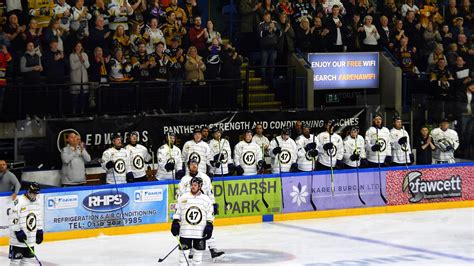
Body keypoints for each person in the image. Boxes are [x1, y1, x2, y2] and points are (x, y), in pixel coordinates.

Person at [176, 160, 225, 261]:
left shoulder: (205, 178)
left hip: (202, 207)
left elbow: (210, 192)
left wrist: (213, 204)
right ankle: (189, 251)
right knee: (189, 230)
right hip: (188, 208)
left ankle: (212, 250)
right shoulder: (184, 179)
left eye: (195, 164)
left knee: (204, 229)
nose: (193, 166)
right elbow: (179, 195)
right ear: (188, 166)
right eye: (191, 164)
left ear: (198, 165)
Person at [172, 176, 214, 266]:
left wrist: (209, 226)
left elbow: (210, 215)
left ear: (200, 186)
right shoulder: (183, 198)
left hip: (199, 233)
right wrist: (175, 222)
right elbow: (178, 211)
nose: (193, 187)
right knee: (183, 259)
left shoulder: (206, 200)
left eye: (195, 185)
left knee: (197, 259)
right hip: (185, 232)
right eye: (192, 185)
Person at [8, 182, 43, 266]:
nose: (34, 196)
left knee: (26, 261)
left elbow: (38, 217)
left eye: (35, 194)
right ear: (28, 191)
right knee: (15, 261)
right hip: (17, 239)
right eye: (32, 193)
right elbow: (13, 218)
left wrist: (39, 230)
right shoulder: (19, 201)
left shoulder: (38, 201)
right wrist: (17, 231)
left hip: (30, 238)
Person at [257, 11, 281, 84]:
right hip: (264, 48)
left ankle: (271, 80)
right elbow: (260, 34)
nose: (267, 17)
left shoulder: (275, 23)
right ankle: (263, 80)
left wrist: (274, 29)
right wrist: (268, 30)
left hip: (273, 48)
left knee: (272, 64)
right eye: (265, 16)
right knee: (263, 65)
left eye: (268, 16)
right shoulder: (261, 24)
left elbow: (280, 33)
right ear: (263, 17)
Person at [69, 42, 90, 115]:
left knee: (83, 96)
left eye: (80, 46)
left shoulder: (84, 55)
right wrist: (80, 62)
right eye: (77, 46)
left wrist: (83, 61)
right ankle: (74, 111)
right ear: (75, 47)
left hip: (84, 79)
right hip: (75, 78)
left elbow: (87, 66)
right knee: (75, 97)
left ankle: (82, 111)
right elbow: (73, 67)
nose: (79, 47)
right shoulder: (72, 55)